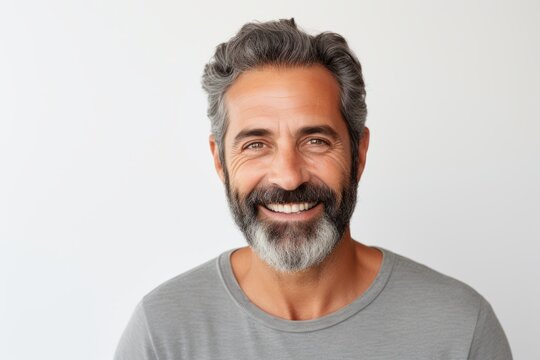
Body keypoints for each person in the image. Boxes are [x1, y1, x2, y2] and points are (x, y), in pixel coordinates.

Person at [114, 18, 512, 359]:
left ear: (359, 153)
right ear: (220, 160)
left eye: (316, 141)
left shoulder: (460, 328)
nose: (289, 177)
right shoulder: (163, 332)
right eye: (256, 144)